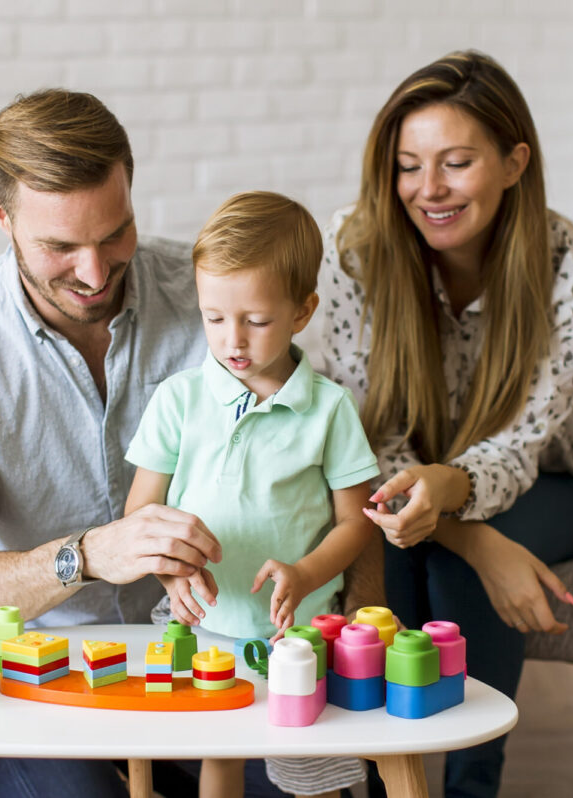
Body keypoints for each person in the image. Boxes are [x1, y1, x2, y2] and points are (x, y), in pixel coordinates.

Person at [0, 88, 226, 798]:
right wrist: (92, 555)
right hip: (35, 659)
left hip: (205, 648)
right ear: (0, 216)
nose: (95, 271)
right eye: (59, 246)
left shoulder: (210, 302)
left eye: (115, 234)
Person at [316, 51, 573, 798]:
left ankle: (467, 785)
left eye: (456, 163)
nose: (429, 191)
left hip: (551, 484)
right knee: (416, 556)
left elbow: (522, 444)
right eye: (409, 166)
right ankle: (395, 776)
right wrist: (474, 536)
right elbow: (367, 424)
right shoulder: (358, 248)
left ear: (515, 163)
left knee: (440, 563)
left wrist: (454, 506)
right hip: (402, 482)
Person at [124, 191, 380, 798]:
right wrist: (170, 576)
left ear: (302, 311)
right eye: (214, 318)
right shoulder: (177, 401)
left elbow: (356, 524)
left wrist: (305, 570)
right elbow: (141, 517)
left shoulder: (331, 410)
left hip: (302, 631)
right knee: (218, 752)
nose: (232, 339)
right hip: (205, 624)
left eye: (255, 320)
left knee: (313, 761)